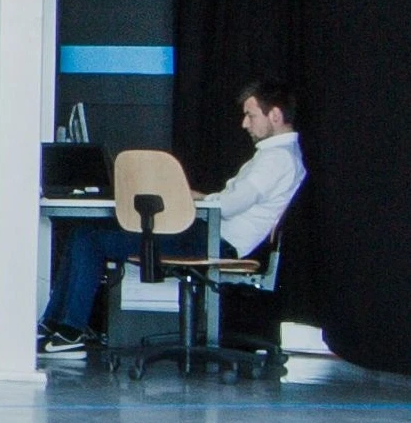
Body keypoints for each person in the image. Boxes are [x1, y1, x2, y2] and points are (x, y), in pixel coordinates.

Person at [40, 78, 305, 353]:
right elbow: (230, 202)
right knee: (85, 235)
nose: (244, 124)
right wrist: (204, 197)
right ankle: (54, 325)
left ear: (274, 115)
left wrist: (204, 199)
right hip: (212, 234)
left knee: (90, 239)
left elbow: (228, 207)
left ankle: (69, 331)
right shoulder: (279, 155)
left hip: (217, 243)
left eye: (250, 115)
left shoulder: (276, 159)